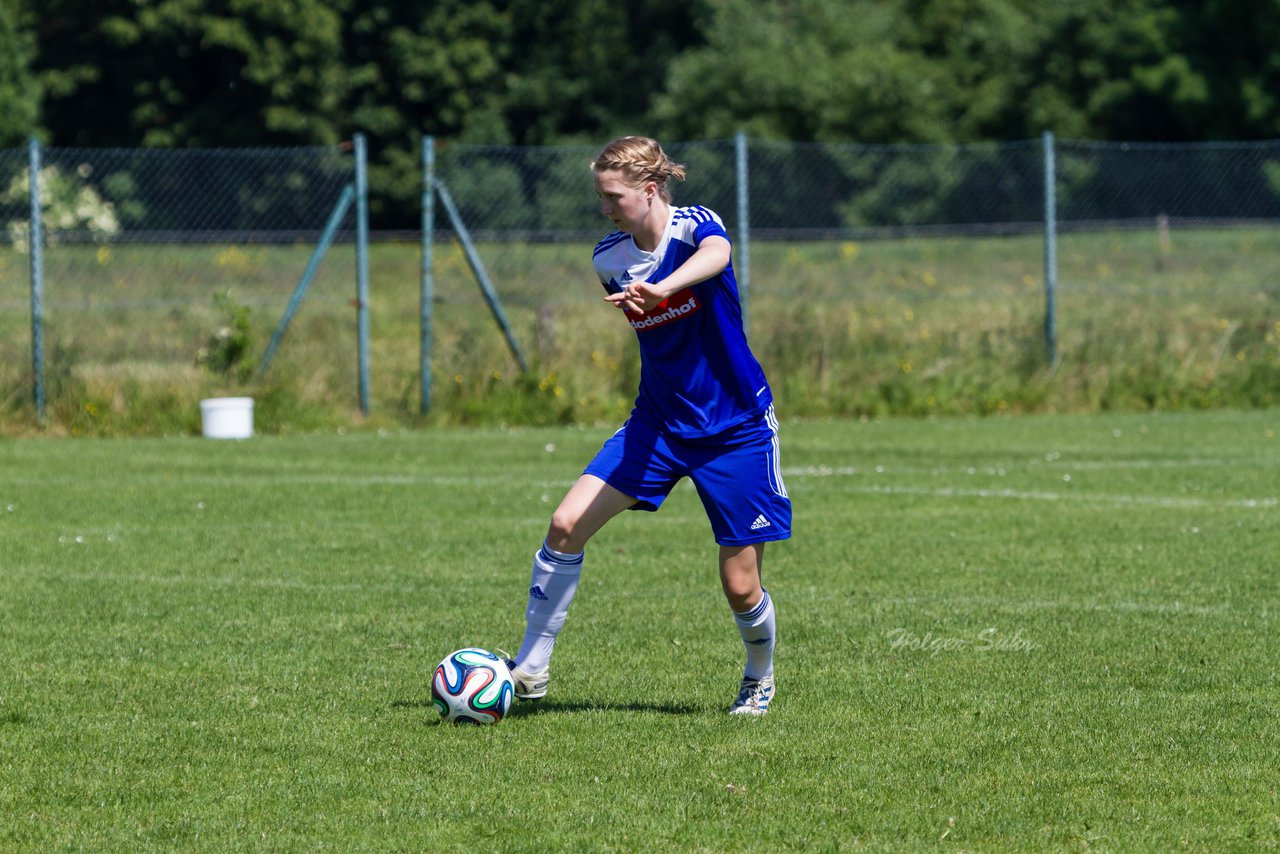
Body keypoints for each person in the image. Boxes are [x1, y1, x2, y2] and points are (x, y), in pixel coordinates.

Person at [505, 136, 791, 715]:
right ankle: (531, 669)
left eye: (613, 196)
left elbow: (720, 254)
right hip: (658, 424)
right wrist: (645, 300)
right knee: (564, 525)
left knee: (741, 586)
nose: (604, 208)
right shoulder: (608, 259)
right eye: (601, 195)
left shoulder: (693, 227)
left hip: (735, 427)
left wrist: (663, 287)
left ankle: (759, 676)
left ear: (650, 190)